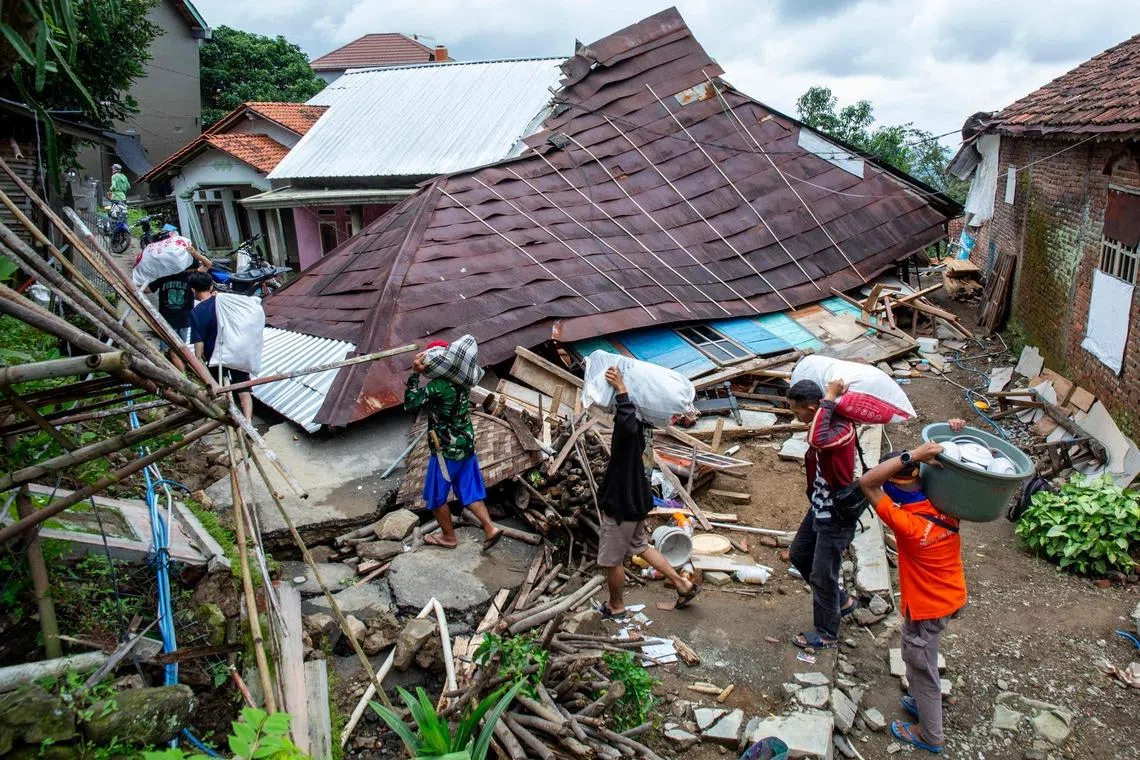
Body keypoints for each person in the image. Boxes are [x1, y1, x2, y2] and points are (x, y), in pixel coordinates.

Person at [859, 420, 968, 755]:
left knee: (920, 665)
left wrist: (911, 453)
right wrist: (950, 433)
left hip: (927, 606)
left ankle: (929, 734)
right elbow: (963, 467)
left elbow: (866, 481)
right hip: (951, 594)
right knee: (923, 657)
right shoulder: (944, 502)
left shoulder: (906, 523)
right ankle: (923, 701)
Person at [595, 366, 700, 617]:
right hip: (639, 497)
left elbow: (626, 422)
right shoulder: (647, 424)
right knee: (641, 545)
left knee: (612, 560)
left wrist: (621, 390)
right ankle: (682, 583)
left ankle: (616, 606)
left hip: (622, 503)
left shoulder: (630, 427)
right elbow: (629, 420)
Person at [404, 340, 503, 550]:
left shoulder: (438, 386)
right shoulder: (463, 383)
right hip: (466, 443)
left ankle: (449, 537)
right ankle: (490, 528)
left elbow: (411, 403)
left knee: (436, 497)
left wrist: (415, 374)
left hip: (445, 450)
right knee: (470, 491)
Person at [786, 378, 859, 649]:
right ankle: (842, 600)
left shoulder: (842, 429)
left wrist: (829, 397)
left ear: (812, 406)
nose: (796, 418)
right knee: (799, 554)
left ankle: (828, 632)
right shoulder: (825, 422)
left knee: (822, 574)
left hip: (836, 514)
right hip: (819, 506)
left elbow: (817, 439)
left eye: (798, 412)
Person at [187, 271, 254, 421]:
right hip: (236, 351)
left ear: (193, 289)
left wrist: (198, 360)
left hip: (215, 357)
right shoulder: (225, 302)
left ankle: (230, 420)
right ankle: (248, 421)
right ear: (211, 286)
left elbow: (199, 346)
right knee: (243, 389)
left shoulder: (196, 313)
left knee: (221, 391)